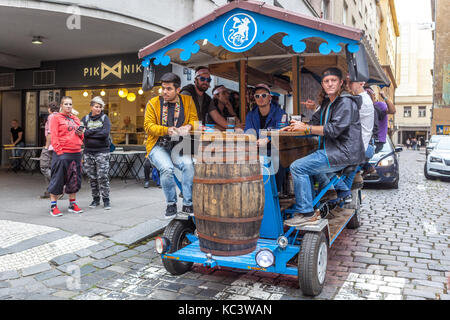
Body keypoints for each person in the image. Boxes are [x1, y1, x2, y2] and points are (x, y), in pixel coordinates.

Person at [280, 67, 365, 226]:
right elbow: (313, 123)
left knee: (298, 167)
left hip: (343, 153)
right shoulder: (328, 102)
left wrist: (305, 128)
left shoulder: (345, 102)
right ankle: (318, 200)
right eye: (326, 81)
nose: (330, 84)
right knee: (304, 163)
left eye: (334, 81)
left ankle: (307, 213)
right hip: (333, 151)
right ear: (323, 84)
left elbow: (333, 130)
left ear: (341, 83)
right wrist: (293, 126)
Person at [144, 72, 198, 219]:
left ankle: (188, 203)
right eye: (163, 88)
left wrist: (188, 127)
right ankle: (171, 204)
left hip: (179, 145)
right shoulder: (153, 103)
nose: (164, 92)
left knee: (188, 166)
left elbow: (194, 120)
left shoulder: (188, 101)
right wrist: (166, 130)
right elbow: (148, 126)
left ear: (178, 90)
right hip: (158, 145)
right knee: (167, 169)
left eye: (168, 89)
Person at [244, 83, 286, 191]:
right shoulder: (251, 115)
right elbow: (248, 133)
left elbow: (282, 129)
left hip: (275, 149)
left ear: (270, 97)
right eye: (257, 96)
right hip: (257, 149)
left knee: (278, 161)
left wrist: (268, 139)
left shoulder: (280, 113)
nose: (260, 98)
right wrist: (254, 141)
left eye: (264, 95)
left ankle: (276, 193)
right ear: (254, 99)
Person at [47, 96, 84, 217]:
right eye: (66, 104)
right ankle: (53, 206)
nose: (69, 106)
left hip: (76, 152)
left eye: (70, 104)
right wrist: (59, 152)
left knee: (74, 179)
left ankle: (72, 204)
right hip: (62, 153)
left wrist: (81, 133)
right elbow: (54, 135)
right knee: (57, 179)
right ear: (61, 105)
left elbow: (82, 137)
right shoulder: (56, 118)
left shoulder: (76, 119)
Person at [81, 96, 112, 210]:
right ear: (91, 107)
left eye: (100, 107)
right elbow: (81, 133)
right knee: (92, 177)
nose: (98, 109)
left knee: (102, 176)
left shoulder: (105, 118)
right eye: (96, 106)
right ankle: (95, 199)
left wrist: (89, 132)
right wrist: (95, 131)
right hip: (88, 152)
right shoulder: (85, 119)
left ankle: (106, 200)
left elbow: (105, 134)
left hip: (102, 152)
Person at [39, 101, 60, 198]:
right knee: (51, 168)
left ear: (49, 109)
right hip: (57, 146)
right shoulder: (59, 116)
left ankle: (59, 184)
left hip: (50, 146)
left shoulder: (51, 117)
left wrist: (46, 147)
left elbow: (50, 133)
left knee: (44, 167)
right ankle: (50, 190)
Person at [371, 89, 396, 153]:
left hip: (377, 141)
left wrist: (384, 97)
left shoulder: (380, 105)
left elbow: (392, 111)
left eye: (369, 93)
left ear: (374, 96)